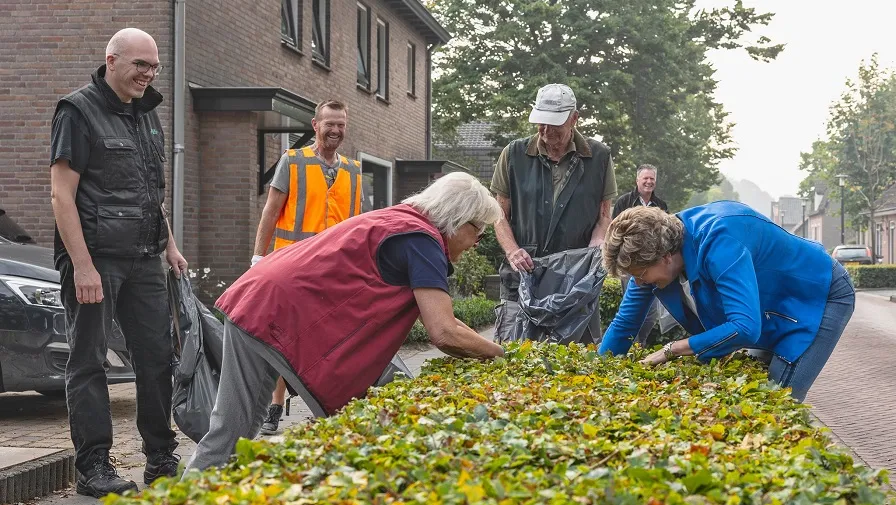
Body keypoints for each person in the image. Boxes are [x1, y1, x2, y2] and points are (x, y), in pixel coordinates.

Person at [184, 172, 505, 473]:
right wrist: (498, 356)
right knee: (232, 434)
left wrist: (490, 348)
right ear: (459, 220)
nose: (476, 243)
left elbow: (446, 321)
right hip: (276, 311)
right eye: (478, 233)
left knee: (234, 428)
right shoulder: (424, 242)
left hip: (260, 295)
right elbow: (444, 333)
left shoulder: (403, 222)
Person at [49, 28, 185, 497]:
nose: (148, 75)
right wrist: (82, 266)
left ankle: (160, 457)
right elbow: (61, 196)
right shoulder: (77, 110)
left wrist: (169, 244)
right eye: (140, 65)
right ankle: (93, 468)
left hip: (146, 257)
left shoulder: (147, 115)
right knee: (89, 363)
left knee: (157, 359)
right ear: (111, 60)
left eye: (154, 67)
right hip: (97, 260)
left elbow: (151, 191)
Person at [599, 202, 855, 402]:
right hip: (765, 305)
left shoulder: (720, 241)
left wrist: (673, 349)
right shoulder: (650, 250)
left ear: (665, 257)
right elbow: (625, 324)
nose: (640, 283)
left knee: (776, 398)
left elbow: (745, 327)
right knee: (753, 393)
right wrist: (599, 375)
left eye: (641, 275)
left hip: (817, 292)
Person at [251, 99, 362, 436]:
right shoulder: (293, 161)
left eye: (341, 124)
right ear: (315, 125)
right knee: (286, 337)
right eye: (330, 124)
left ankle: (324, 405)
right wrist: (258, 258)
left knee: (330, 339)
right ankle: (273, 406)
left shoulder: (354, 170)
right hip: (292, 266)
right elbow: (271, 211)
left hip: (334, 271)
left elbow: (357, 226)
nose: (336, 130)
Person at [491, 83, 617, 343]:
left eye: (554, 124)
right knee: (511, 360)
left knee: (576, 365)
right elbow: (498, 215)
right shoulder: (513, 155)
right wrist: (513, 250)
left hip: (575, 285)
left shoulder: (599, 157)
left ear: (574, 118)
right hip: (521, 279)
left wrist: (595, 248)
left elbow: (604, 216)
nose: (546, 131)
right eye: (541, 122)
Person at [611, 164, 669, 347]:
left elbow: (667, 233)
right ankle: (631, 347)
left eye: (652, 179)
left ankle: (639, 343)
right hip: (631, 264)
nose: (649, 182)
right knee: (631, 308)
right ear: (637, 180)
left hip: (653, 265)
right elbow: (614, 231)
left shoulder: (661, 205)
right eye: (645, 178)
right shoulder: (624, 202)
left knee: (651, 312)